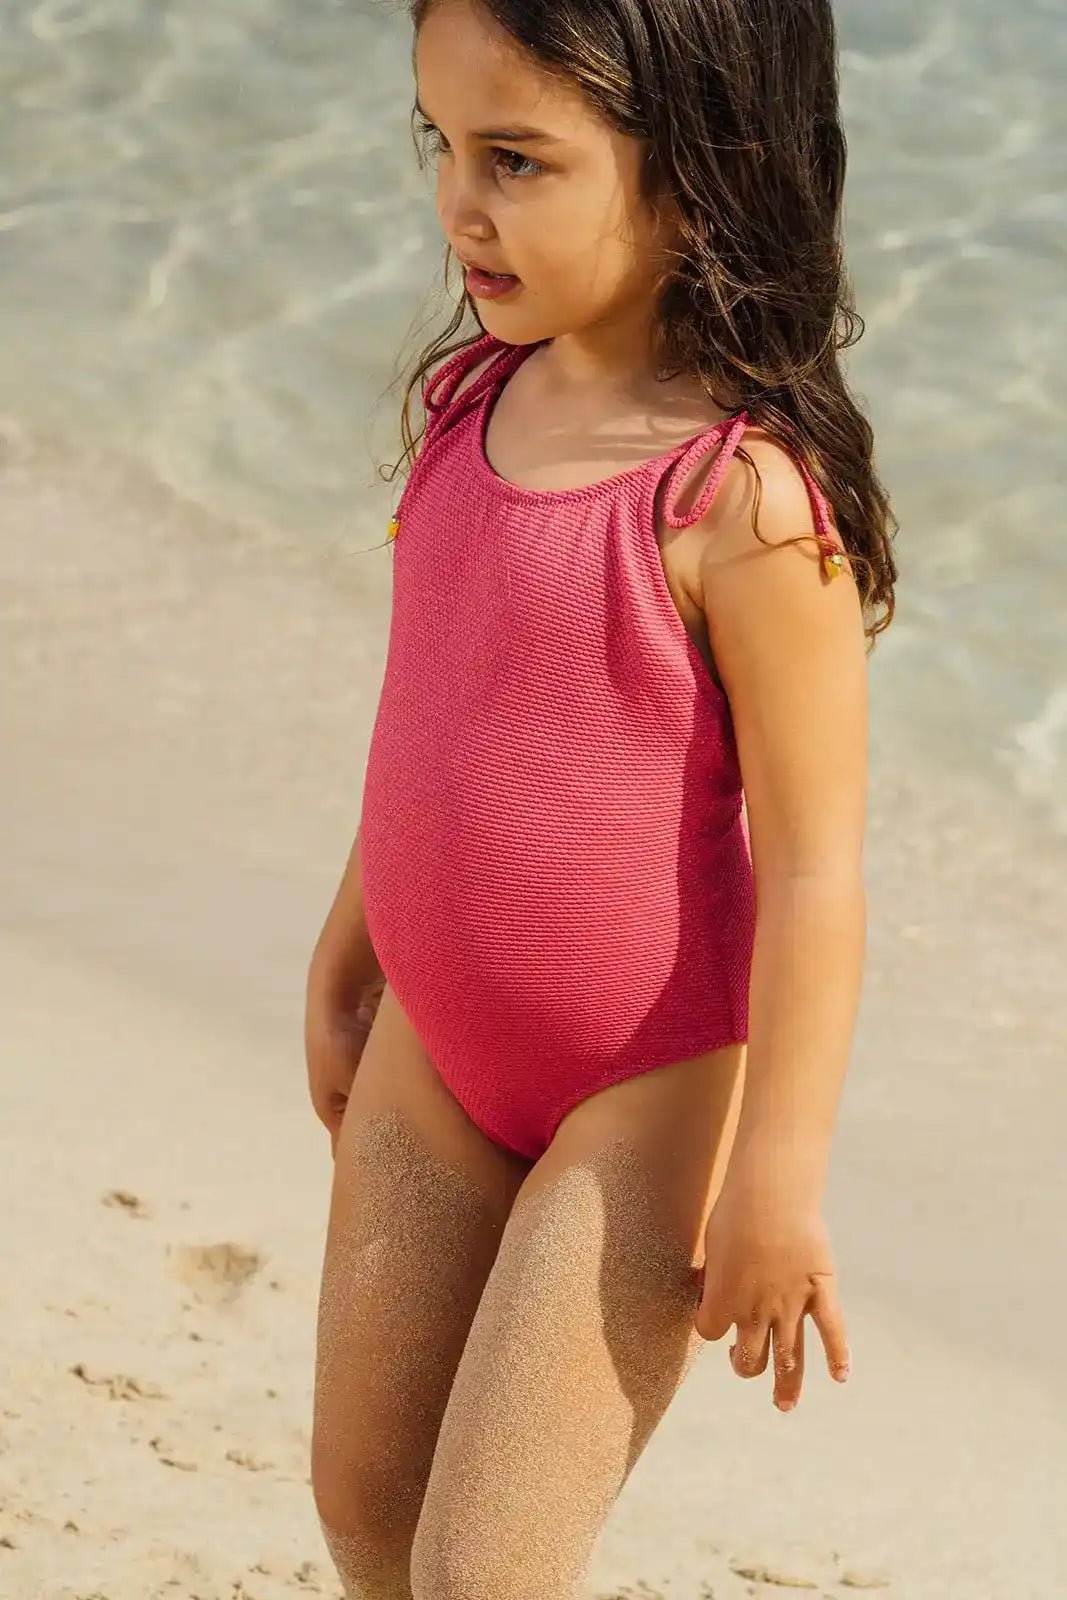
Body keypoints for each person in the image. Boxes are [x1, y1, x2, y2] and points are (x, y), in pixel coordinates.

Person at [304, 1, 896, 1595]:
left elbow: (821, 868)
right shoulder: (466, 408)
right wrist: (348, 948)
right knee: (364, 1503)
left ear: (697, 175)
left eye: (518, 159)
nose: (459, 206)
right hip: (436, 1047)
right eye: (443, 145)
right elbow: (438, 720)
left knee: (485, 1569)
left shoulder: (742, 502)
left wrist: (779, 1168)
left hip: (637, 1102)